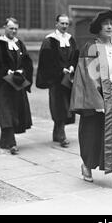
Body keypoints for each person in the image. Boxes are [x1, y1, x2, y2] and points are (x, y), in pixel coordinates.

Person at [70, 10, 112, 192]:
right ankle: (87, 164)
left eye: (111, 23)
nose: (109, 26)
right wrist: (97, 100)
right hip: (99, 98)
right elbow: (87, 75)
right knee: (92, 134)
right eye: (105, 23)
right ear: (98, 27)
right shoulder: (90, 47)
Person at [0, 17, 33, 155]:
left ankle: (4, 141)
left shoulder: (19, 44)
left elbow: (26, 62)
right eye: (11, 28)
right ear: (4, 28)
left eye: (16, 29)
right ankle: (11, 143)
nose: (13, 31)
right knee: (5, 112)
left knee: (15, 111)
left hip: (16, 84)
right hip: (2, 85)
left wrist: (22, 71)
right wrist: (6, 72)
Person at [36, 14, 79, 148]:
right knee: (59, 106)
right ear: (56, 24)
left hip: (68, 79)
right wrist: (61, 70)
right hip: (56, 79)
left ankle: (57, 132)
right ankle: (61, 134)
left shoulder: (70, 39)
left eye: (67, 24)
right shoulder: (49, 40)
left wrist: (72, 66)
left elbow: (76, 55)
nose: (65, 26)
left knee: (67, 105)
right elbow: (46, 61)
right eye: (62, 23)